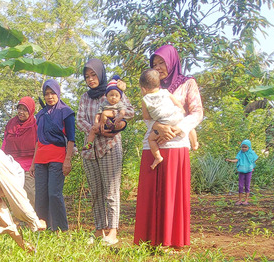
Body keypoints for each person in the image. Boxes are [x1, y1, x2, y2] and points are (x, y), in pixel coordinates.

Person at [134, 45, 203, 248]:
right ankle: (149, 241)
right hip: (153, 146)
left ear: (172, 61)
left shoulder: (187, 84)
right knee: (151, 193)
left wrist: (177, 129)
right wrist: (158, 127)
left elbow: (197, 112)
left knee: (172, 194)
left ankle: (173, 241)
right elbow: (147, 117)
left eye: (162, 62)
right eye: (154, 64)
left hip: (177, 145)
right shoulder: (149, 89)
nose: (158, 67)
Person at [77, 59, 134, 245]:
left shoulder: (113, 91)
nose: (91, 79)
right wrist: (94, 129)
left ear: (101, 74)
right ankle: (100, 228)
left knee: (111, 191)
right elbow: (79, 120)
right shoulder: (85, 97)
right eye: (87, 77)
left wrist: (118, 122)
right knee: (96, 191)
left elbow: (130, 111)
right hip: (90, 149)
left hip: (110, 146)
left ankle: (113, 231)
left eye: (94, 75)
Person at [29, 79, 75, 232]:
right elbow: (37, 140)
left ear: (58, 93)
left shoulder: (66, 112)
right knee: (41, 195)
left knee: (54, 193)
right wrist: (33, 163)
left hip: (58, 157)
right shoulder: (40, 114)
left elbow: (71, 139)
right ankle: (43, 227)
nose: (49, 97)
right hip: (41, 158)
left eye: (52, 93)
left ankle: (61, 229)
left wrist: (67, 160)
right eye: (47, 94)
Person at [140, 69, 199, 169]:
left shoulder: (145, 99)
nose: (158, 67)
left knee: (151, 139)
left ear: (143, 89)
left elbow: (146, 117)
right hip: (176, 116)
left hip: (163, 122)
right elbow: (177, 103)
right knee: (189, 127)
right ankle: (194, 143)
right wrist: (182, 112)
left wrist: (156, 121)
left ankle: (158, 157)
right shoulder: (165, 92)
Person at [2, 96, 37, 208]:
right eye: (19, 109)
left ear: (30, 110)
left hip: (29, 167)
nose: (21, 112)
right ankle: (17, 220)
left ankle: (33, 220)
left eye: (25, 109)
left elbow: (39, 145)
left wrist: (34, 165)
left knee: (30, 193)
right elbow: (5, 143)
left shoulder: (35, 125)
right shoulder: (11, 124)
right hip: (13, 165)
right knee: (14, 194)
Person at [83, 75, 128, 150]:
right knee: (93, 130)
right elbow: (98, 114)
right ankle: (89, 143)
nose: (113, 97)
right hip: (103, 124)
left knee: (121, 123)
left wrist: (118, 117)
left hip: (115, 121)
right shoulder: (104, 103)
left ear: (120, 97)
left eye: (116, 96)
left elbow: (123, 111)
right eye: (111, 95)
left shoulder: (119, 103)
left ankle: (113, 127)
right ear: (106, 96)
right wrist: (96, 123)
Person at [226, 140, 258, 206]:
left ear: (249, 147)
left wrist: (252, 165)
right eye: (242, 147)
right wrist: (230, 160)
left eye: (245, 147)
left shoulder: (251, 153)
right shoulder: (240, 153)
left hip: (249, 171)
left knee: (247, 185)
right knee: (240, 186)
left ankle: (246, 200)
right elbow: (236, 159)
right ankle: (240, 200)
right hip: (241, 171)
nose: (243, 148)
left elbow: (255, 158)